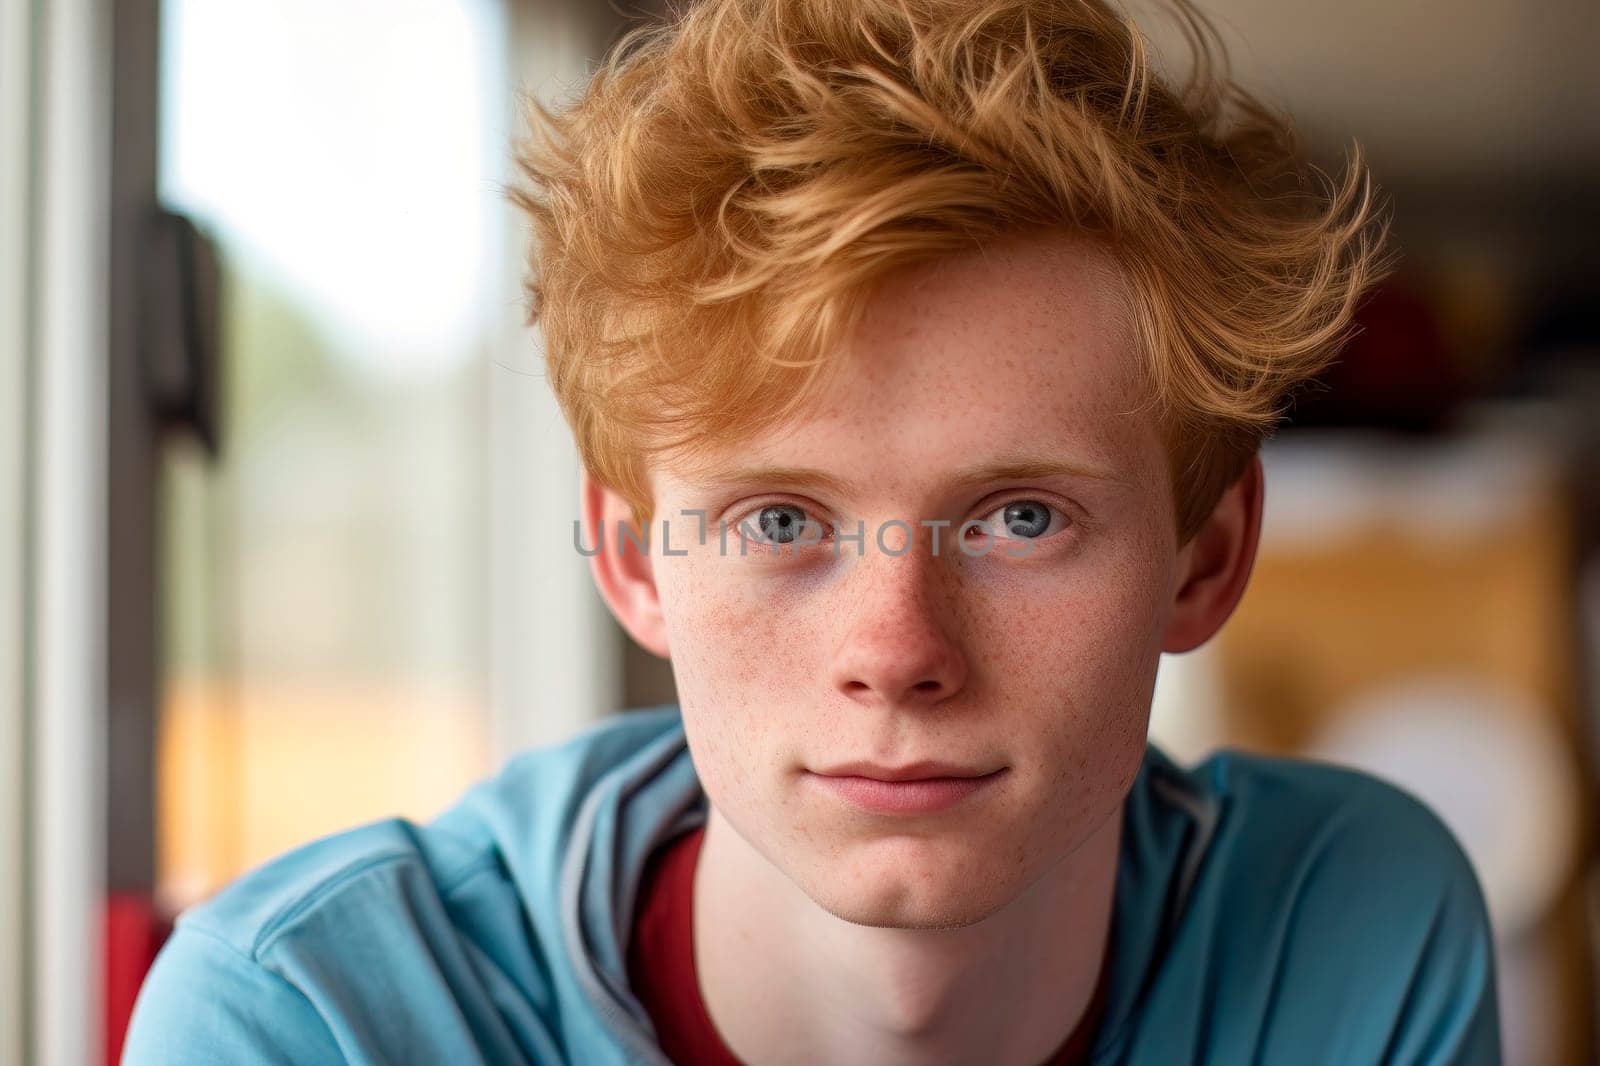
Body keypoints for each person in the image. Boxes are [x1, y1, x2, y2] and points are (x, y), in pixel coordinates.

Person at [123, 0, 1502, 1062]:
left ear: (1204, 556)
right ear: (630, 557)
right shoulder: (312, 1015)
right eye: (780, 516)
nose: (895, 651)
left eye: (1020, 516)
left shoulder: (1352, 929)